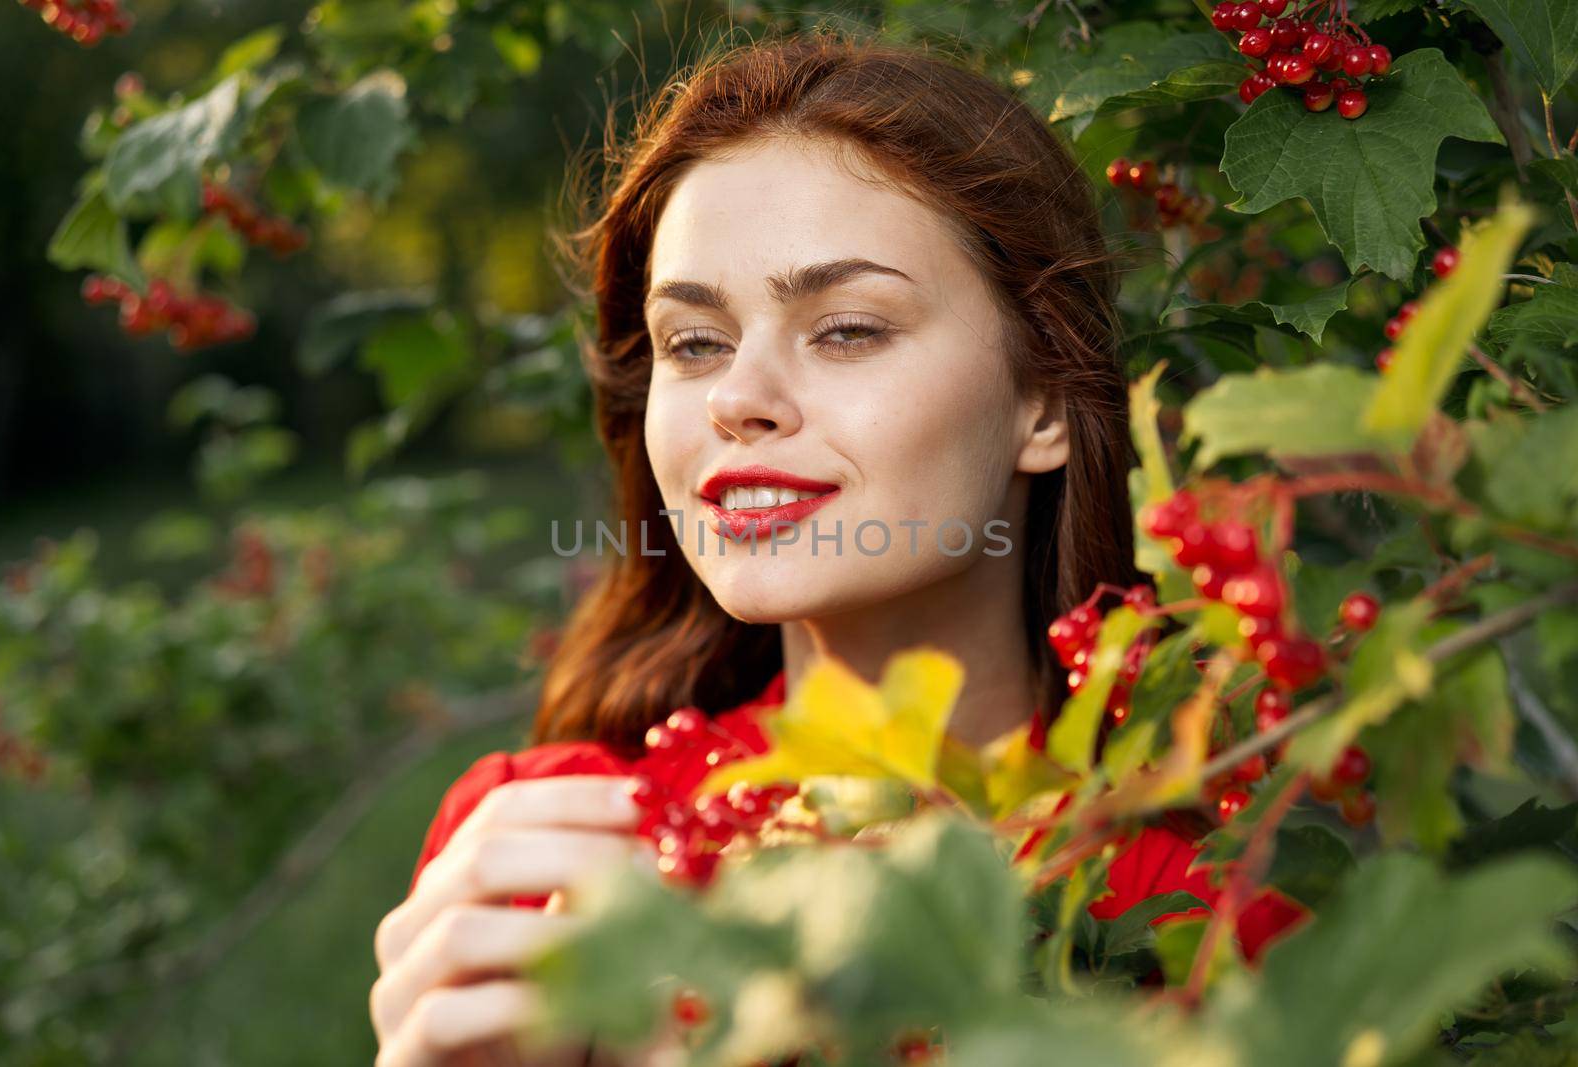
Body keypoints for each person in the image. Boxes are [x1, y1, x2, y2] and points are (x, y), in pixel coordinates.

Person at [368, 24, 1304, 1067]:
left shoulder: (1207, 905)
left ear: (1042, 400)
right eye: (695, 343)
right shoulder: (544, 855)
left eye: (846, 328)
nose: (736, 400)